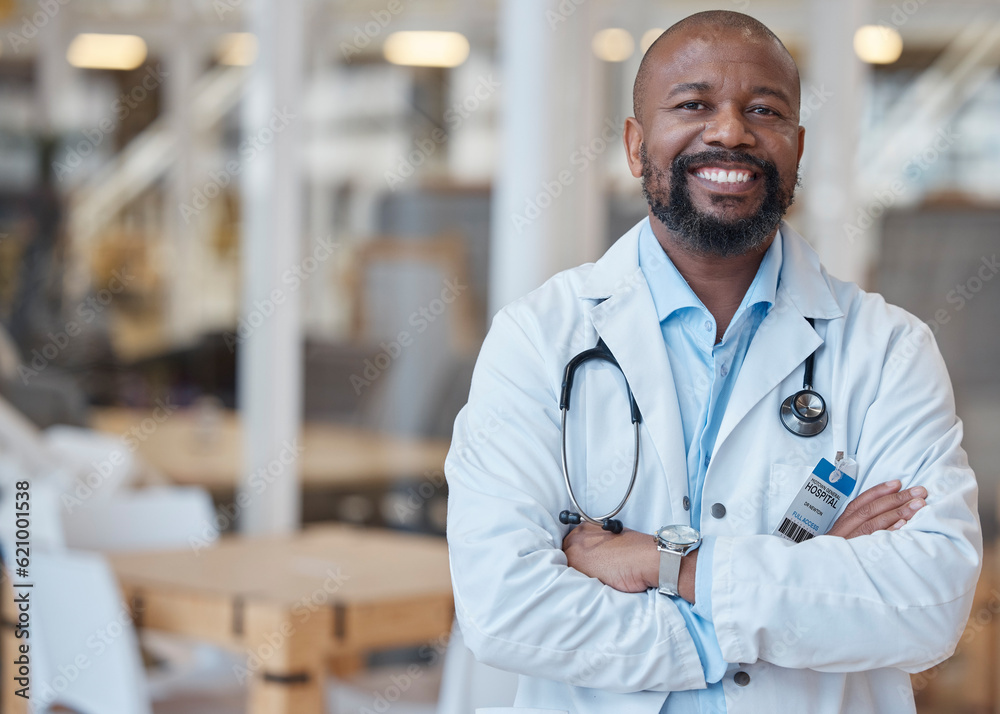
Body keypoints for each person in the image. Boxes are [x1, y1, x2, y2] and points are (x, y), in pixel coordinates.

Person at [445, 10, 981, 713]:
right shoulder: (538, 339)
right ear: (636, 147)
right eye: (693, 104)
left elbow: (928, 605)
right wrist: (780, 598)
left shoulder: (887, 350)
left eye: (764, 109)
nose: (730, 131)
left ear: (797, 147)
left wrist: (672, 567)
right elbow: (505, 610)